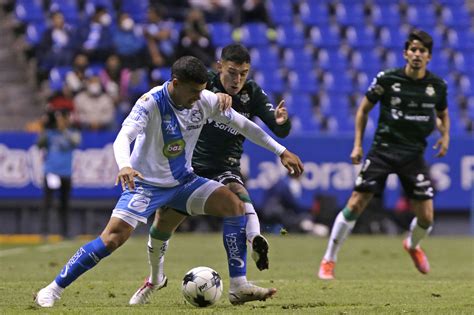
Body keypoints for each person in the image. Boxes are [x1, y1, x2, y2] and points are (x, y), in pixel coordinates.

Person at [35, 56, 304, 307]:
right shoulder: (150, 102)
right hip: (146, 184)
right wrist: (125, 165)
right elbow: (123, 136)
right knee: (112, 240)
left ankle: (238, 285)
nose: (199, 97)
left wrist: (281, 151)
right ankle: (53, 289)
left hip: (183, 182)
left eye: (202, 91)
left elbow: (244, 126)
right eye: (194, 92)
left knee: (234, 205)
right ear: (175, 84)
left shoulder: (205, 100)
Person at [129, 43, 291, 306]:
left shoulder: (254, 94)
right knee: (162, 225)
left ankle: (250, 250)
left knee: (237, 197)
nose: (237, 80)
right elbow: (175, 98)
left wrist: (283, 124)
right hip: (190, 168)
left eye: (243, 73)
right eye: (232, 72)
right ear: (219, 67)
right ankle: (154, 278)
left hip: (225, 166)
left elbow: (273, 129)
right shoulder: (203, 85)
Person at [317, 29, 450, 280]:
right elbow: (363, 110)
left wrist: (445, 136)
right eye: (413, 49)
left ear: (429, 57)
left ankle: (412, 244)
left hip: (413, 154)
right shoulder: (388, 79)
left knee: (427, 217)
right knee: (357, 202)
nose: (417, 55)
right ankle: (329, 259)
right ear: (405, 53)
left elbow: (443, 114)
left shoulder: (437, 86)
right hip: (383, 150)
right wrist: (357, 145)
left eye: (422, 51)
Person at [37, 110, 81, 238]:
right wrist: (44, 127)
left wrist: (64, 129)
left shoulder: (73, 132)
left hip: (66, 173)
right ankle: (44, 231)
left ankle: (65, 232)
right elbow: (39, 144)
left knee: (65, 204)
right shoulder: (50, 133)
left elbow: (76, 142)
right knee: (47, 203)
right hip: (51, 172)